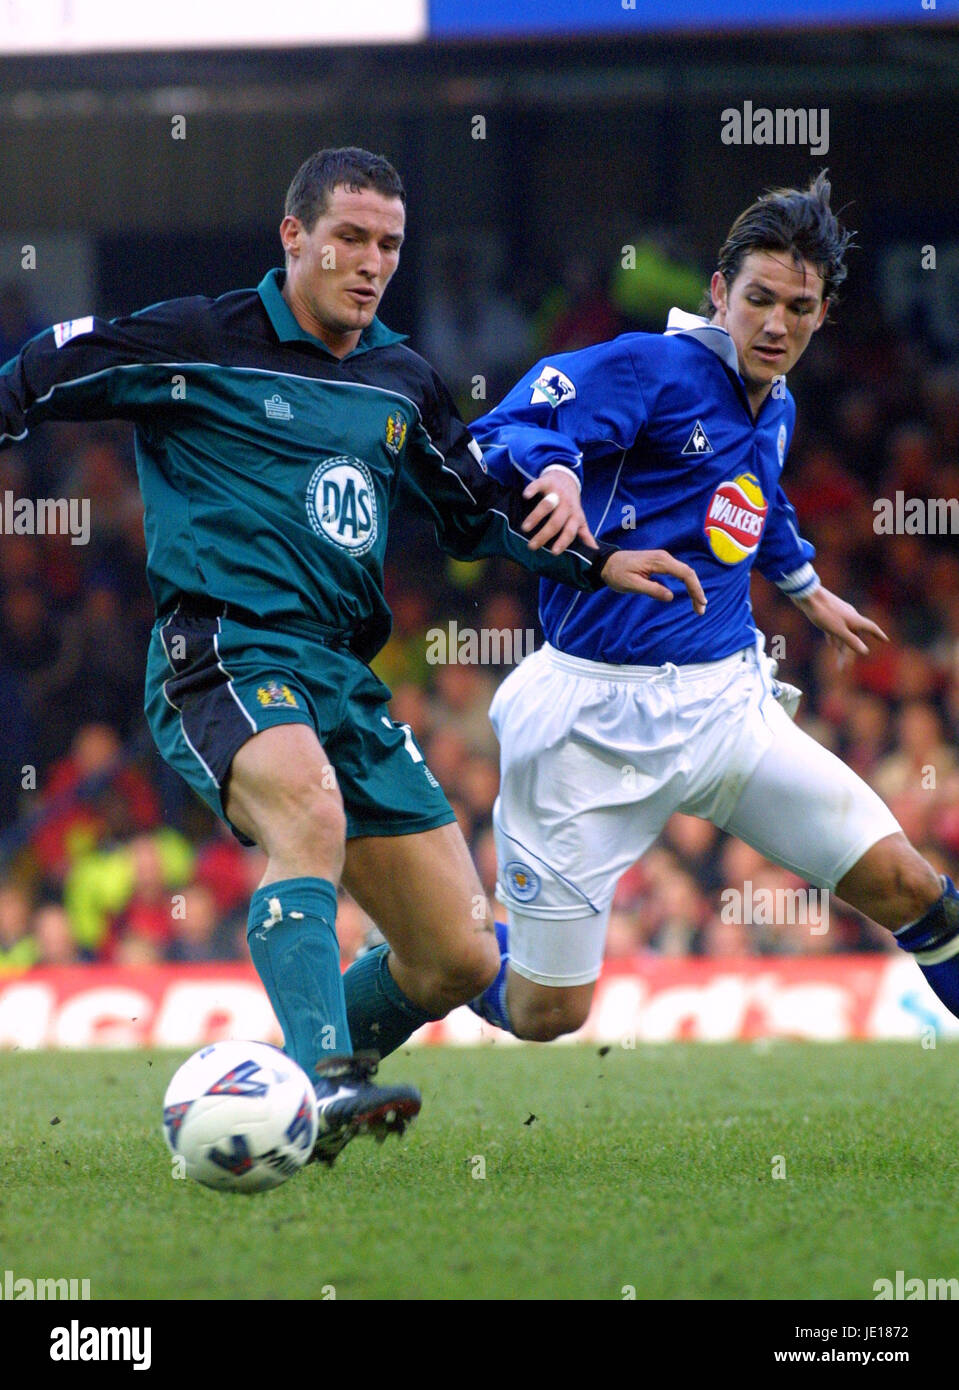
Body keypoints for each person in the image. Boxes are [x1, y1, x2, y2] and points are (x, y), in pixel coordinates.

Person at [0, 146, 703, 1160]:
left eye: (388, 244)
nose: (370, 262)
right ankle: (323, 1082)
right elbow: (37, 370)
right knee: (309, 812)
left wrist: (595, 561)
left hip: (342, 673)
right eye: (350, 238)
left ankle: (286, 1073)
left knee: (455, 954)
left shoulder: (403, 380)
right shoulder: (199, 337)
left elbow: (474, 516)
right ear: (295, 236)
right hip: (225, 648)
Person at [453, 172, 958, 1044]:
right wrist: (562, 471)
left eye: (798, 307)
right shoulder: (652, 367)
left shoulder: (777, 402)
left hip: (725, 708)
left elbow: (754, 499)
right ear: (719, 292)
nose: (775, 324)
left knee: (913, 890)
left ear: (822, 313)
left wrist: (801, 584)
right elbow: (508, 422)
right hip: (590, 717)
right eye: (757, 298)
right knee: (544, 1013)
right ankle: (434, 951)